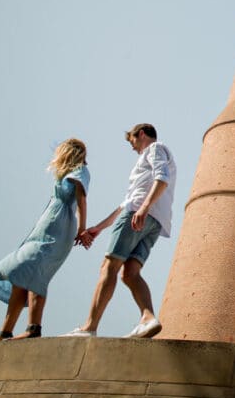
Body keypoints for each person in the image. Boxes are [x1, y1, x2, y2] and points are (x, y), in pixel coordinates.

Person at [65, 123, 175, 338]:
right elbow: (125, 203)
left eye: (132, 141)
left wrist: (143, 208)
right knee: (130, 273)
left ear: (141, 134)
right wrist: (99, 228)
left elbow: (161, 179)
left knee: (109, 266)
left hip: (140, 214)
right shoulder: (152, 158)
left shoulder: (154, 149)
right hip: (155, 221)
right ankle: (148, 318)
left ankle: (89, 327)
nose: (133, 147)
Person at [0, 138, 90, 340]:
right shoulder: (65, 174)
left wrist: (82, 228)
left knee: (35, 275)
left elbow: (82, 200)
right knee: (20, 275)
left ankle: (34, 328)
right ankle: (5, 331)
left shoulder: (80, 171)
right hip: (42, 230)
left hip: (58, 232)